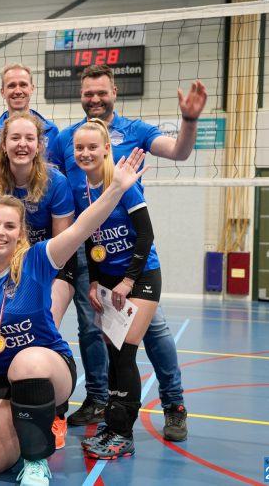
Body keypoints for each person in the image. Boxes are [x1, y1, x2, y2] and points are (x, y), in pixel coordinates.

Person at [0, 148, 149, 486]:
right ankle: (25, 420)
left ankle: (37, 459)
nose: (1, 232)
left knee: (26, 363)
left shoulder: (37, 259)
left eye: (10, 226)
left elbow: (81, 228)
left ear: (20, 233)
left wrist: (116, 189)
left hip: (48, 368)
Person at [49, 64, 207, 440]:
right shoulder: (67, 138)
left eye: (101, 92)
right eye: (88, 93)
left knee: (152, 331)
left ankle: (174, 404)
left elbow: (179, 151)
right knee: (94, 328)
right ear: (81, 95)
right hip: (90, 250)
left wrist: (188, 120)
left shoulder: (135, 131)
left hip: (131, 251)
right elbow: (52, 185)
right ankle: (100, 400)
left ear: (114, 92)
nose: (95, 98)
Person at [0, 111, 77, 449]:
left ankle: (57, 411)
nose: (22, 144)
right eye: (15, 138)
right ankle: (17, 394)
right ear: (3, 144)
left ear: (39, 145)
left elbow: (60, 246)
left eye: (29, 138)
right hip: (8, 265)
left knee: (42, 325)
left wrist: (31, 272)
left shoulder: (55, 182)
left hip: (49, 266)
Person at [72, 118, 163, 459]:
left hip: (141, 276)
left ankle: (123, 434)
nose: (85, 153)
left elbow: (146, 234)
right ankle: (113, 424)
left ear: (107, 149)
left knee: (124, 352)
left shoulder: (124, 184)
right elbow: (90, 239)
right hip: (109, 280)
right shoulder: (82, 190)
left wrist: (127, 281)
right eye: (79, 147)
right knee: (113, 353)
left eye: (92, 147)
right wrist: (95, 280)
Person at [0, 63, 58, 163]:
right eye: (11, 86)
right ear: (2, 92)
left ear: (32, 89)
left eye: (23, 85)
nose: (18, 91)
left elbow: (56, 169)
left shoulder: (50, 130)